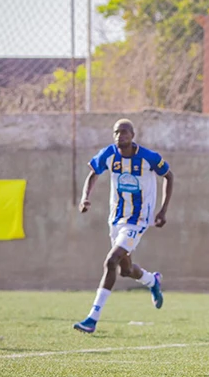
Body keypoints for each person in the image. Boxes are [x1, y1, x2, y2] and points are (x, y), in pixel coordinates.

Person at [73, 119, 175, 334]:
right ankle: (151, 280)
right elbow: (93, 174)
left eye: (125, 132)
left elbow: (168, 176)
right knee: (125, 270)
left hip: (138, 219)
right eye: (117, 132)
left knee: (110, 260)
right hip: (116, 219)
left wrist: (163, 210)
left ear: (133, 134)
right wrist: (85, 198)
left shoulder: (148, 157)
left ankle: (93, 317)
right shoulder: (109, 155)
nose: (121, 136)